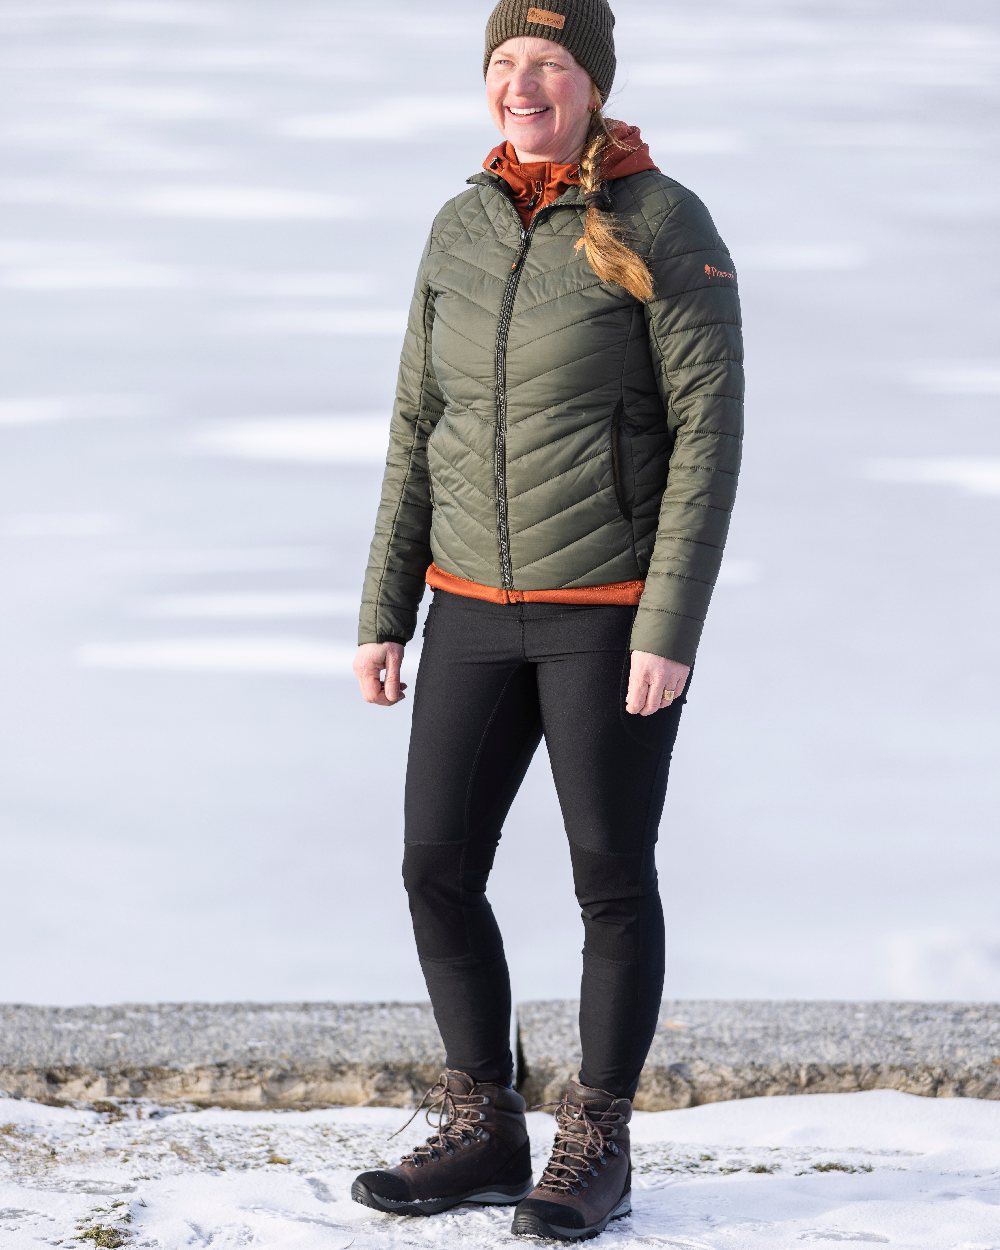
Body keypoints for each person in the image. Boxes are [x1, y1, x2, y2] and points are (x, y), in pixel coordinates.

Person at [350, 0, 744, 1240]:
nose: (522, 84)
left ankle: (596, 1137)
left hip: (606, 611)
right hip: (468, 606)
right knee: (435, 866)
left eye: (550, 63)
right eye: (505, 62)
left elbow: (708, 438)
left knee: (609, 878)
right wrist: (384, 609)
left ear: (593, 81)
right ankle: (485, 1122)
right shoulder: (459, 225)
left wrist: (668, 622)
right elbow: (418, 426)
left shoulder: (662, 220)